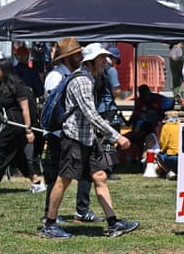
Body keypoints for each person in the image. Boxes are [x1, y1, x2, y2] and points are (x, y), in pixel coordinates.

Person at [40, 43, 139, 239]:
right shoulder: (83, 81)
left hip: (87, 139)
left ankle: (113, 223)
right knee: (63, 180)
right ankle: (50, 224)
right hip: (75, 139)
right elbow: (91, 115)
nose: (106, 61)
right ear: (91, 61)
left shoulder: (89, 78)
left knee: (100, 176)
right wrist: (116, 136)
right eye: (102, 58)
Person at [42, 37, 104, 223]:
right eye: (76, 54)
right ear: (67, 57)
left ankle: (82, 210)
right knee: (58, 176)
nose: (80, 56)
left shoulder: (75, 74)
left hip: (72, 133)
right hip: (58, 133)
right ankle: (50, 215)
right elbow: (56, 105)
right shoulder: (56, 76)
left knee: (86, 175)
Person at [13, 46, 46, 192]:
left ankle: (25, 171)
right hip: (29, 112)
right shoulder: (31, 72)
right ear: (28, 57)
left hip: (12, 112)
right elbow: (40, 92)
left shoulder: (11, 73)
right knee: (29, 143)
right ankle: (31, 171)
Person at [0, 55, 34, 184]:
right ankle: (35, 182)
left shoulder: (17, 86)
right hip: (6, 123)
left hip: (16, 125)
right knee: (19, 156)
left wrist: (28, 131)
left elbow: (25, 109)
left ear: (4, 70)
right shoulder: (0, 86)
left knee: (0, 150)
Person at [95, 44, 123, 181]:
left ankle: (100, 167)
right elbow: (116, 90)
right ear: (113, 58)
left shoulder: (98, 70)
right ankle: (108, 170)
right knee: (110, 139)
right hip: (108, 108)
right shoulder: (111, 71)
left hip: (99, 109)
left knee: (101, 139)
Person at [156, 110, 180, 180]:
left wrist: (162, 150)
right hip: (183, 156)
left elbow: (164, 143)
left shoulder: (166, 127)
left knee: (159, 156)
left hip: (172, 156)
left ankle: (170, 172)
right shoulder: (181, 125)